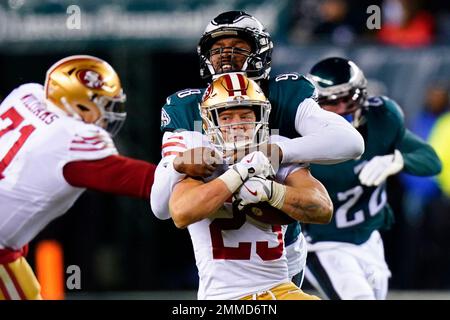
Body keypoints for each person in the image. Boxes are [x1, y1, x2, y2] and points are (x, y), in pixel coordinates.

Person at [152, 10, 364, 287]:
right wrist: (176, 165)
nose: (225, 56)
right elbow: (162, 207)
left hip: (281, 246)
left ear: (260, 53)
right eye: (217, 49)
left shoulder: (284, 95)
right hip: (223, 255)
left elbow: (351, 143)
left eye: (238, 48)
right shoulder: (185, 108)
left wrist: (275, 153)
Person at [153, 73, 332, 300]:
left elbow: (322, 208)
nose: (237, 125)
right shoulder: (200, 158)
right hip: (226, 296)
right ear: (210, 122)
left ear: (261, 116)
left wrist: (272, 192)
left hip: (278, 288)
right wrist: (241, 172)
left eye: (246, 116)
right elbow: (180, 213)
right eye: (226, 117)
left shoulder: (275, 150)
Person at [0, 55, 157, 300]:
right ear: (78, 106)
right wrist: (183, 172)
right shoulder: (73, 138)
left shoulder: (26, 96)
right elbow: (147, 181)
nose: (105, 116)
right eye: (102, 106)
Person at [288, 57, 442, 300]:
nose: (339, 108)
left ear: (361, 95)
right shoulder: (300, 137)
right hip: (322, 243)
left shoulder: (382, 117)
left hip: (369, 238)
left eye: (346, 98)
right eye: (328, 101)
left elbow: (431, 160)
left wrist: (398, 160)